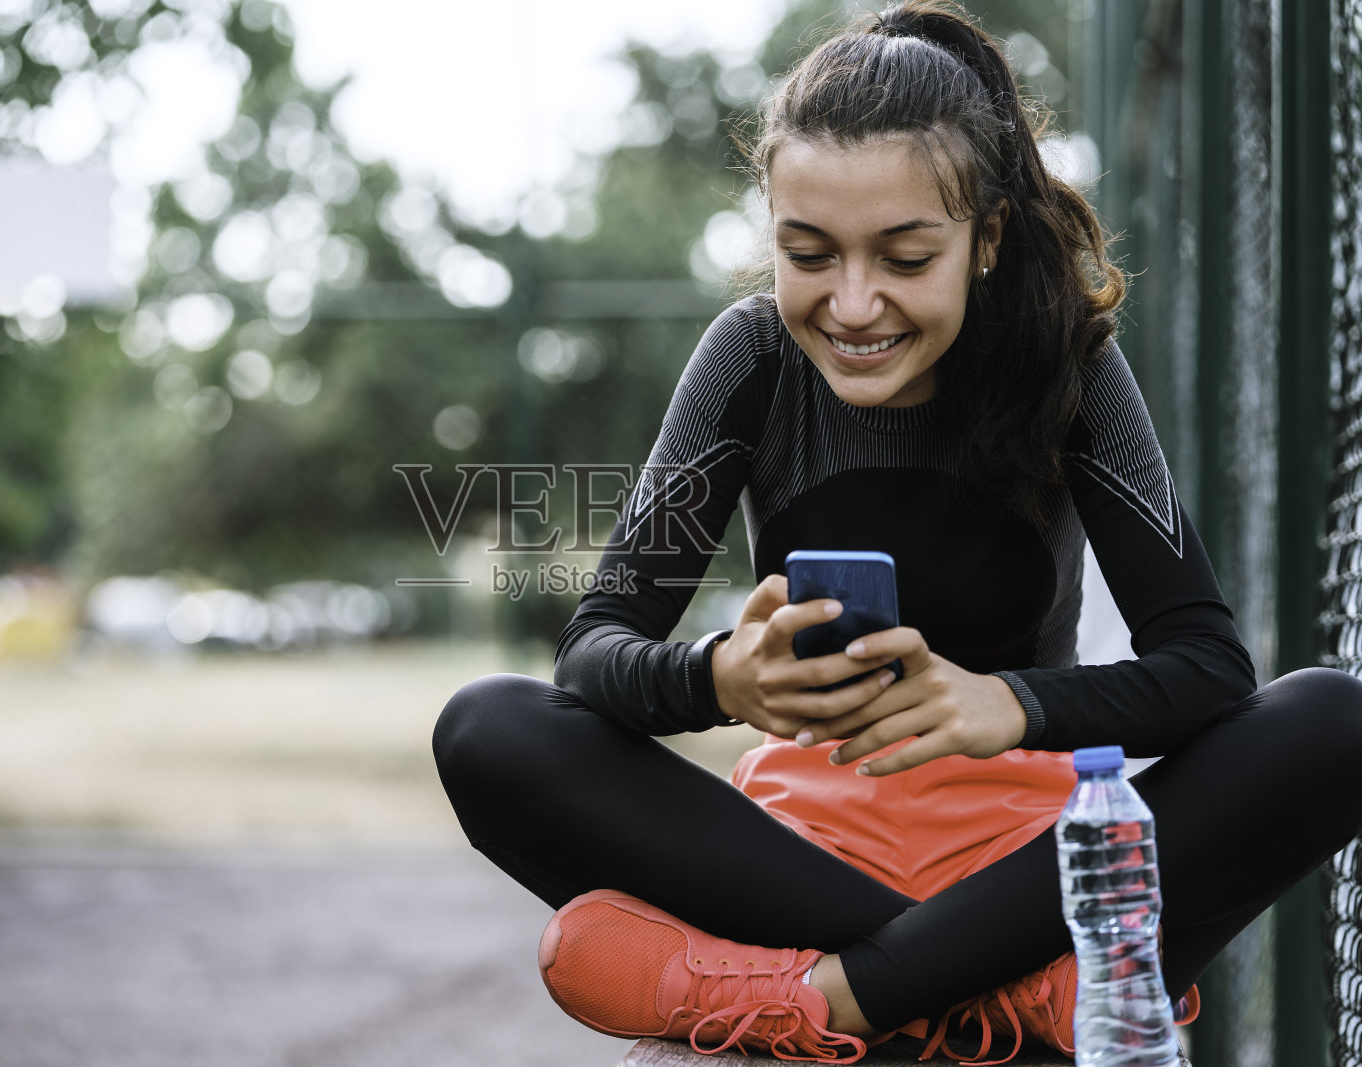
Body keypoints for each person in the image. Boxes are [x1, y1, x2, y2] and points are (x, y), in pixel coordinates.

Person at [433, 2, 1362, 1063]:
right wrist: (718, 679)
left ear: (986, 239)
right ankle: (993, 998)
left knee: (1333, 720)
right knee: (484, 728)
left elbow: (1206, 665)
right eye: (808, 252)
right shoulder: (746, 360)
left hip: (1029, 868)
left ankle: (826, 996)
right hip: (796, 855)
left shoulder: (1068, 362)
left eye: (905, 256)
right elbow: (593, 649)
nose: (854, 301)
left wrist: (1004, 702)